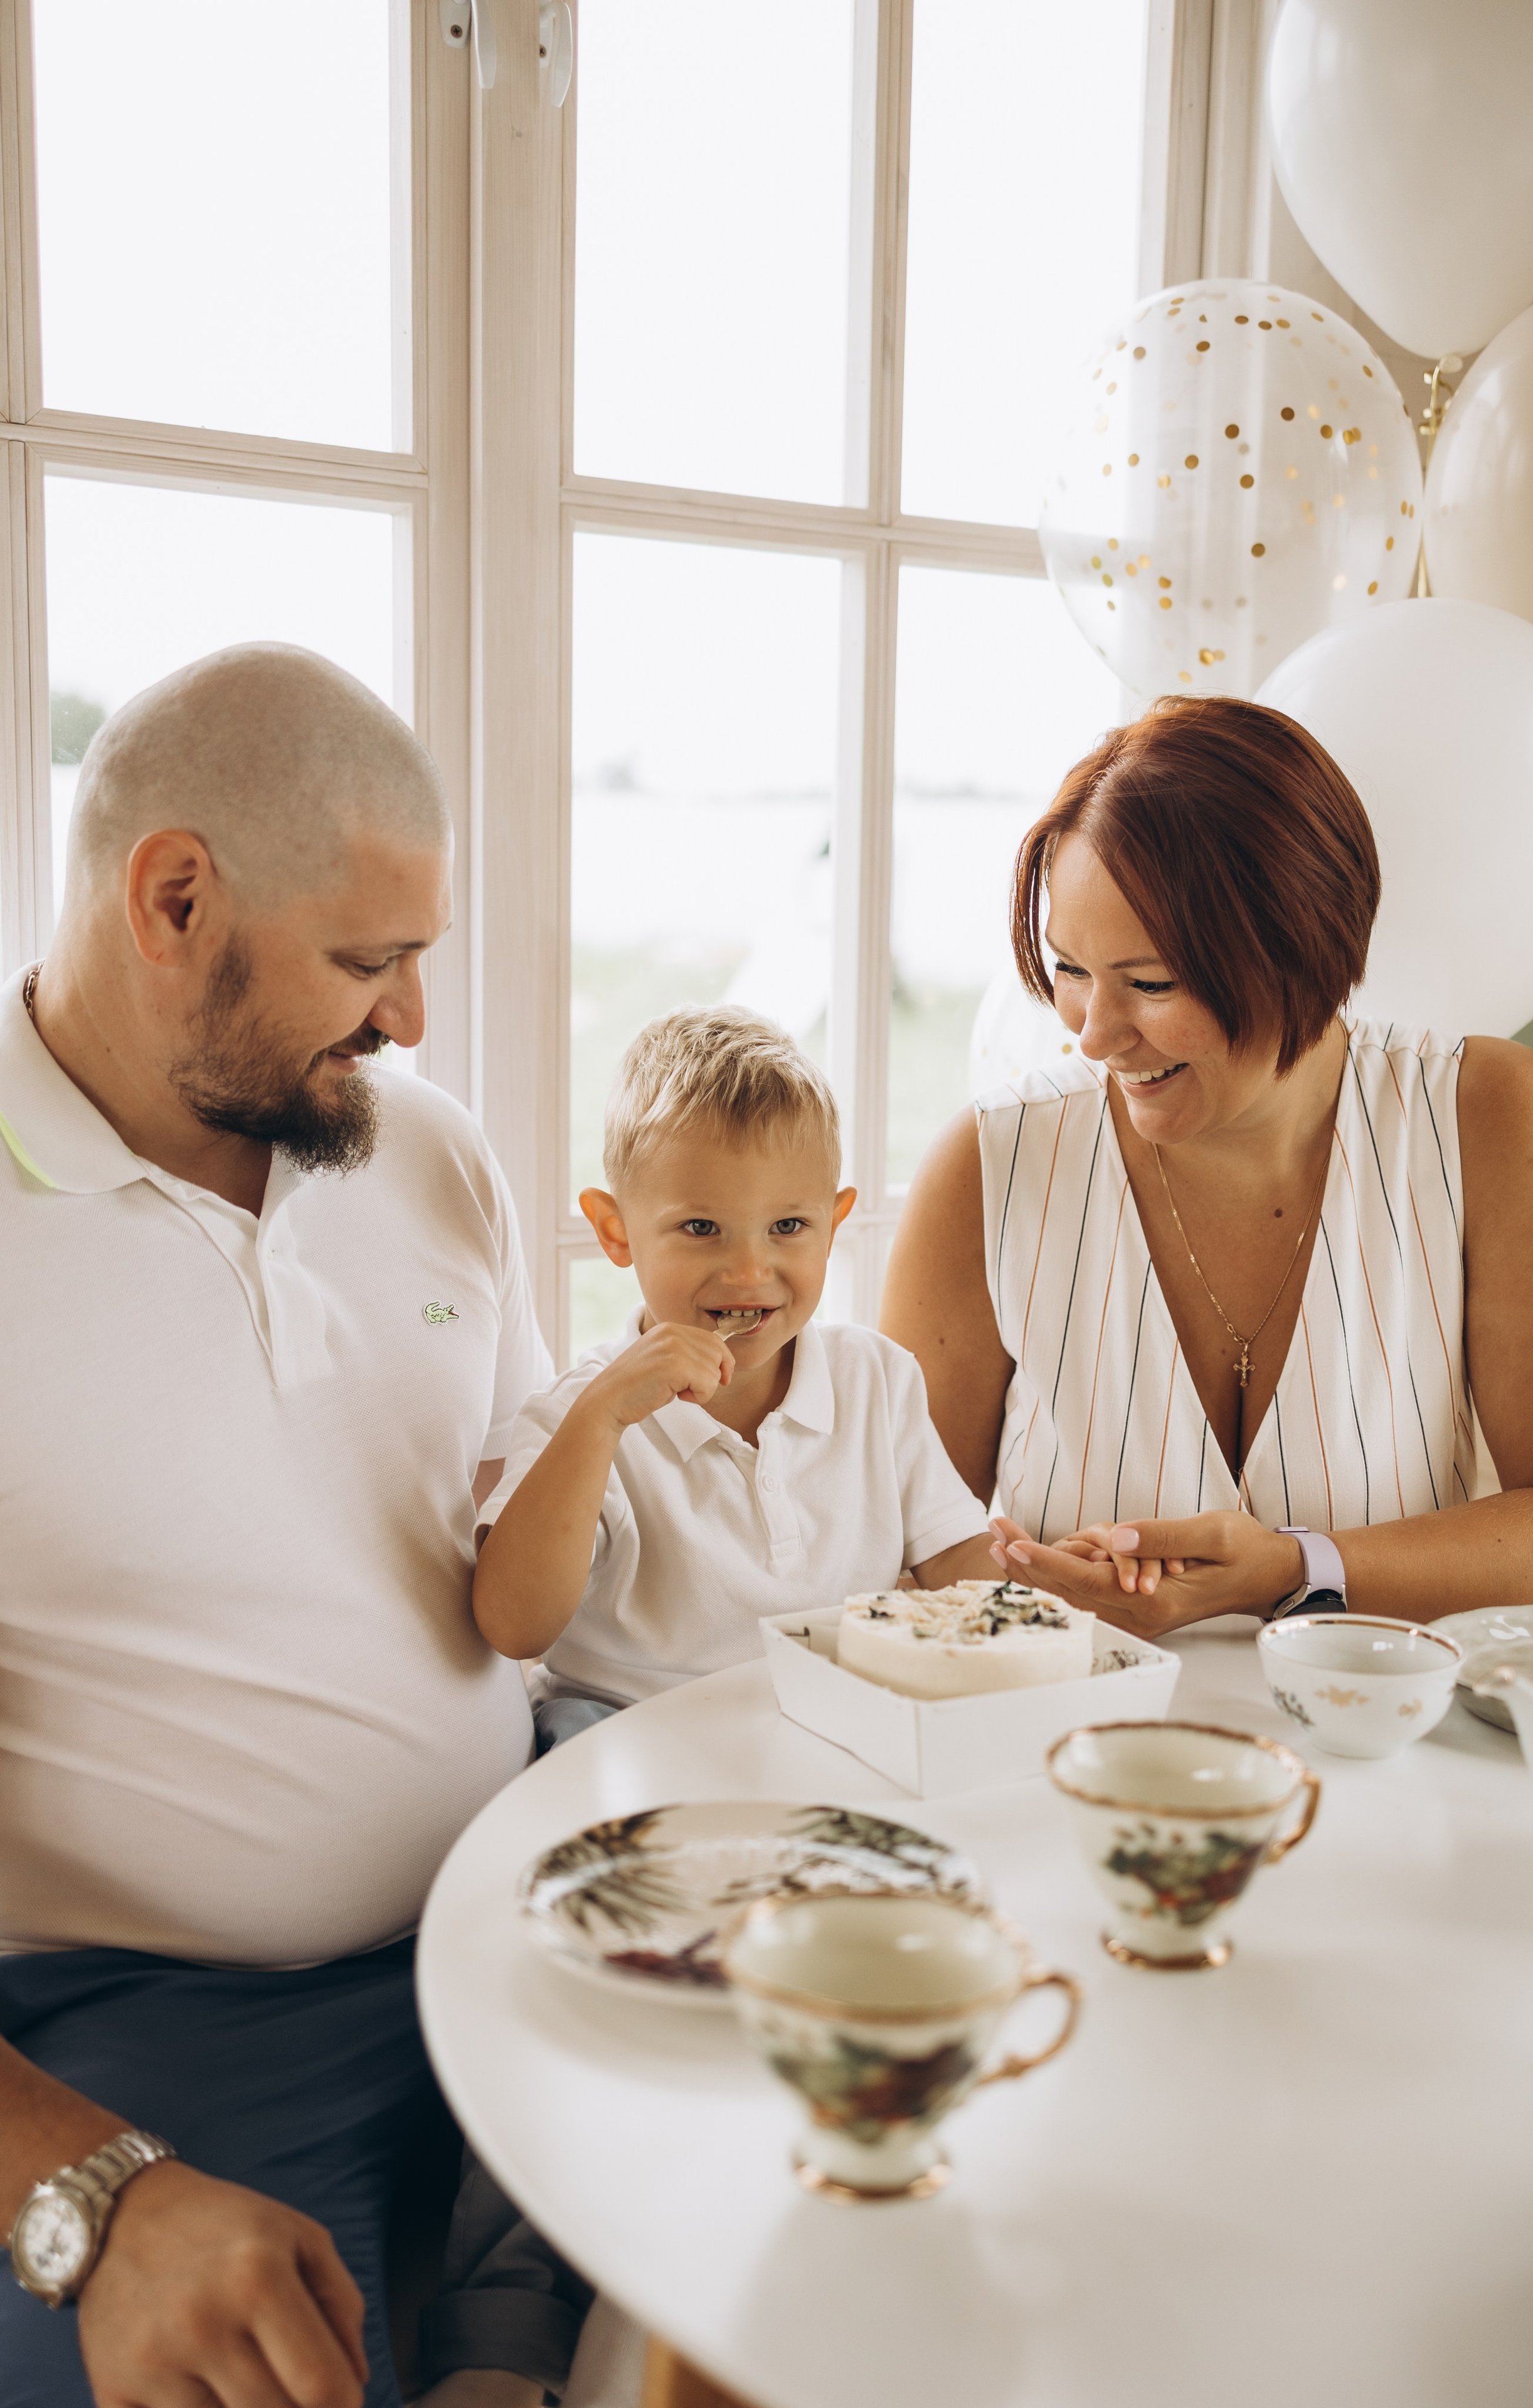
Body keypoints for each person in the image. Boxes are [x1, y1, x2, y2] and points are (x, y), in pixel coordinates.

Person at [0, 645, 587, 2408]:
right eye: (368, 961)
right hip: (172, 2039)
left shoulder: (427, 1157)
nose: (411, 1018)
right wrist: (89, 2192)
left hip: (533, 1931)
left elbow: (527, 1547)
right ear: (172, 898)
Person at [881, 694, 1533, 1633]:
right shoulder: (990, 1165)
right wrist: (1031, 1590)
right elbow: (889, 1541)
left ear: (1302, 943)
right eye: (1069, 971)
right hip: (1068, 1750)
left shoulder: (1490, 1118)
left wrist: (1296, 1569)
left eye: (1150, 984)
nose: (1096, 1036)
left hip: (1402, 1767)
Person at [473, 1008, 1000, 1698]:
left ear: (833, 1224)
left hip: (825, 1723)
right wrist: (599, 1422)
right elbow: (514, 1628)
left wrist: (1047, 1586)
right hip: (625, 1739)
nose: (749, 1271)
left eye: (788, 1226)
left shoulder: (876, 1380)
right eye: (700, 1228)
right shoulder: (578, 1412)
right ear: (614, 1230)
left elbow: (955, 1556)